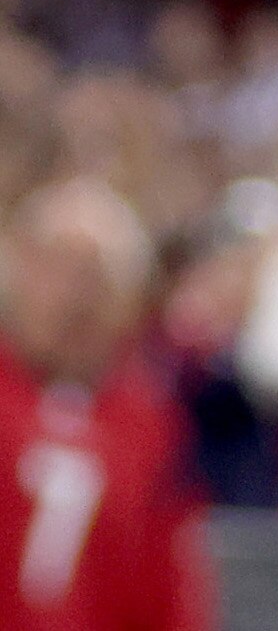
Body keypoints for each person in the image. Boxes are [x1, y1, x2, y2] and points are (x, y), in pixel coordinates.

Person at [0, 177, 216, 631]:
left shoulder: (152, 424)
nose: (75, 297)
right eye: (56, 266)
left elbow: (171, 588)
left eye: (97, 277)